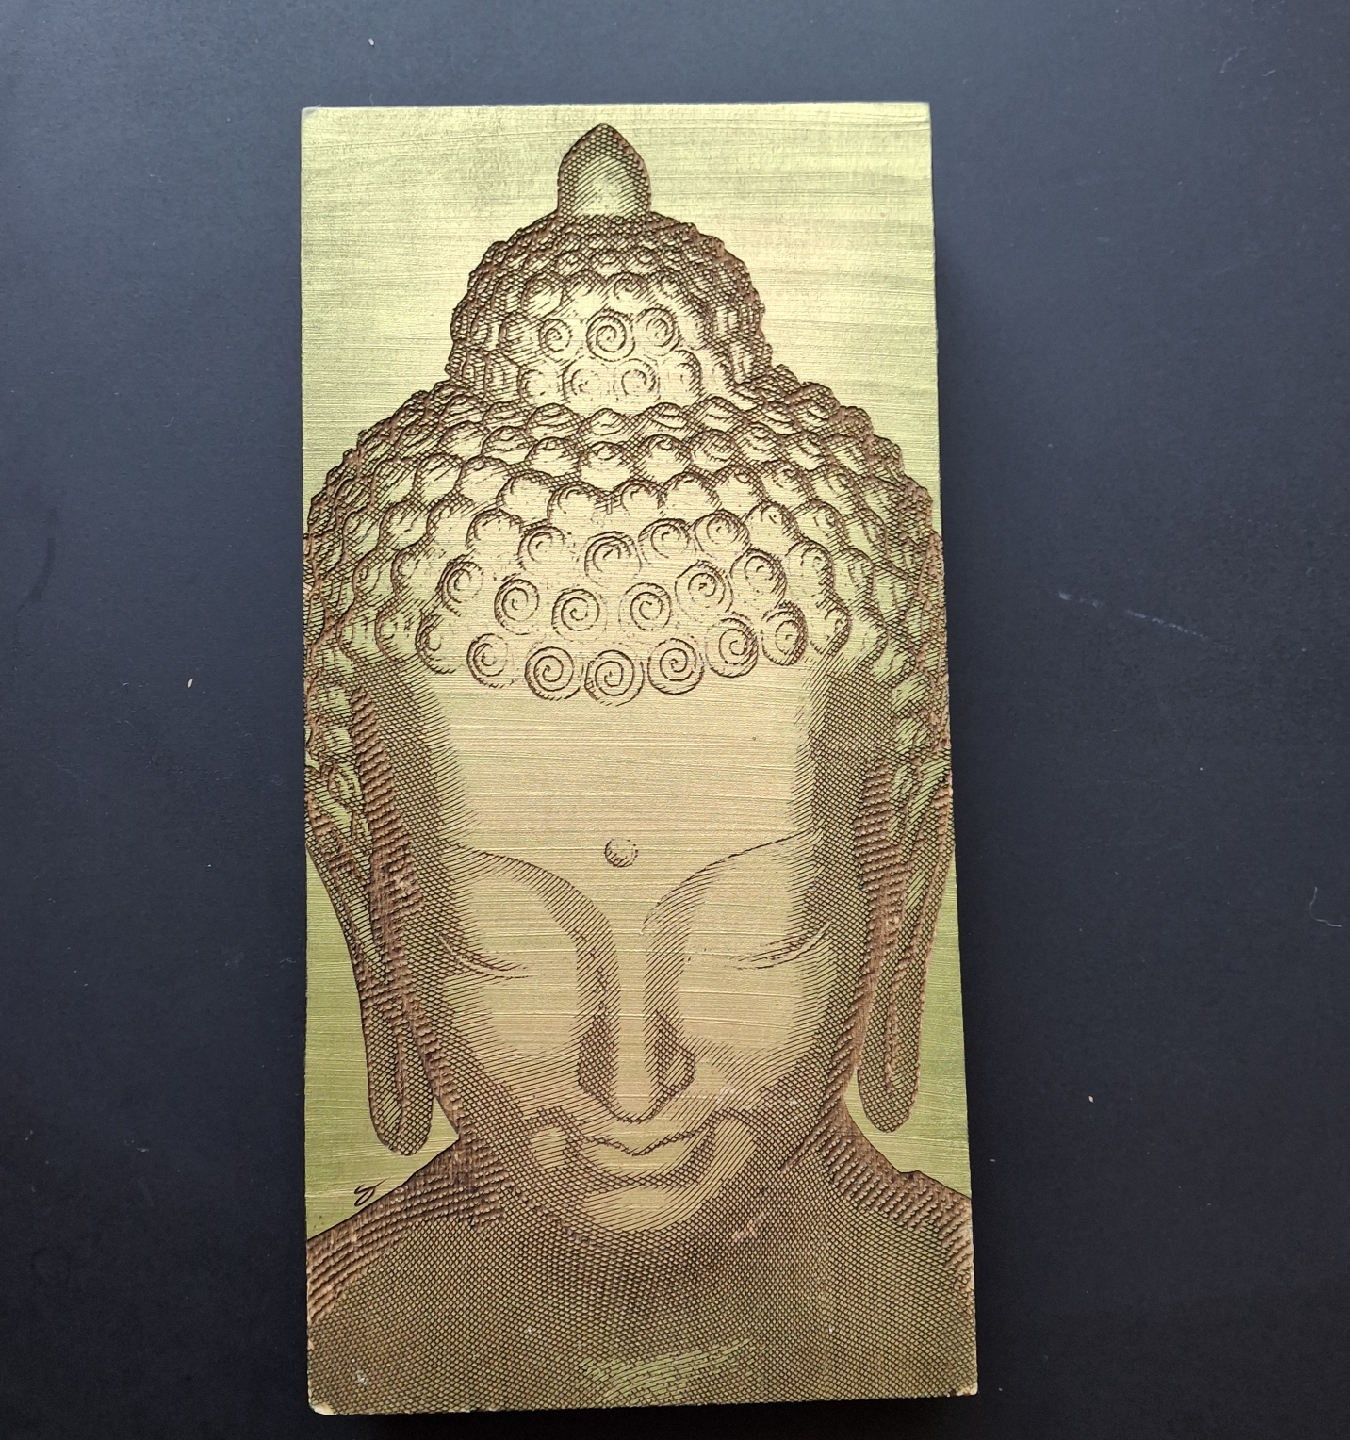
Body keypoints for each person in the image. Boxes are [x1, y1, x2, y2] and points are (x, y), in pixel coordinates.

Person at [303, 123, 974, 1413]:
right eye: (508, 939)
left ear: (897, 904)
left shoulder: (965, 1293)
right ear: (378, 937)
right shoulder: (324, 1329)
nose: (630, 1076)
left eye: (752, 929)